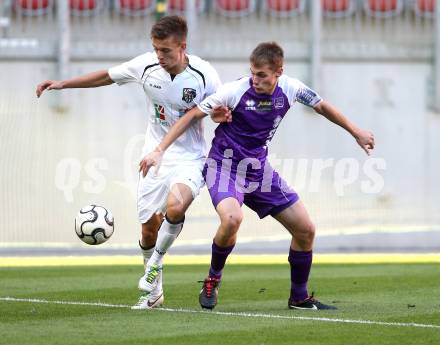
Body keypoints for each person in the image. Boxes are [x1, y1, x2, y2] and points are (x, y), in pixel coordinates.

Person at [139, 41, 375, 310]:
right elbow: (194, 114)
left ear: (278, 72)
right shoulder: (235, 90)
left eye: (262, 74)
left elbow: (321, 106)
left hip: (258, 170)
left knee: (305, 229)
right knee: (232, 218)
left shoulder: (291, 88)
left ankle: (299, 297)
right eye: (253, 73)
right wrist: (159, 149)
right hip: (223, 167)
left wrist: (356, 131)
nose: (255, 79)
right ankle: (212, 280)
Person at [36, 15, 229, 310]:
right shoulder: (146, 66)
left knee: (176, 207)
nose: (159, 56)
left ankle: (154, 265)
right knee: (149, 229)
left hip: (189, 157)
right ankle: (154, 295)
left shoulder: (204, 75)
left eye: (165, 50)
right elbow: (106, 76)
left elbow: (220, 108)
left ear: (182, 46)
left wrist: (220, 115)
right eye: (156, 49)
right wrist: (63, 83)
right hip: (152, 155)